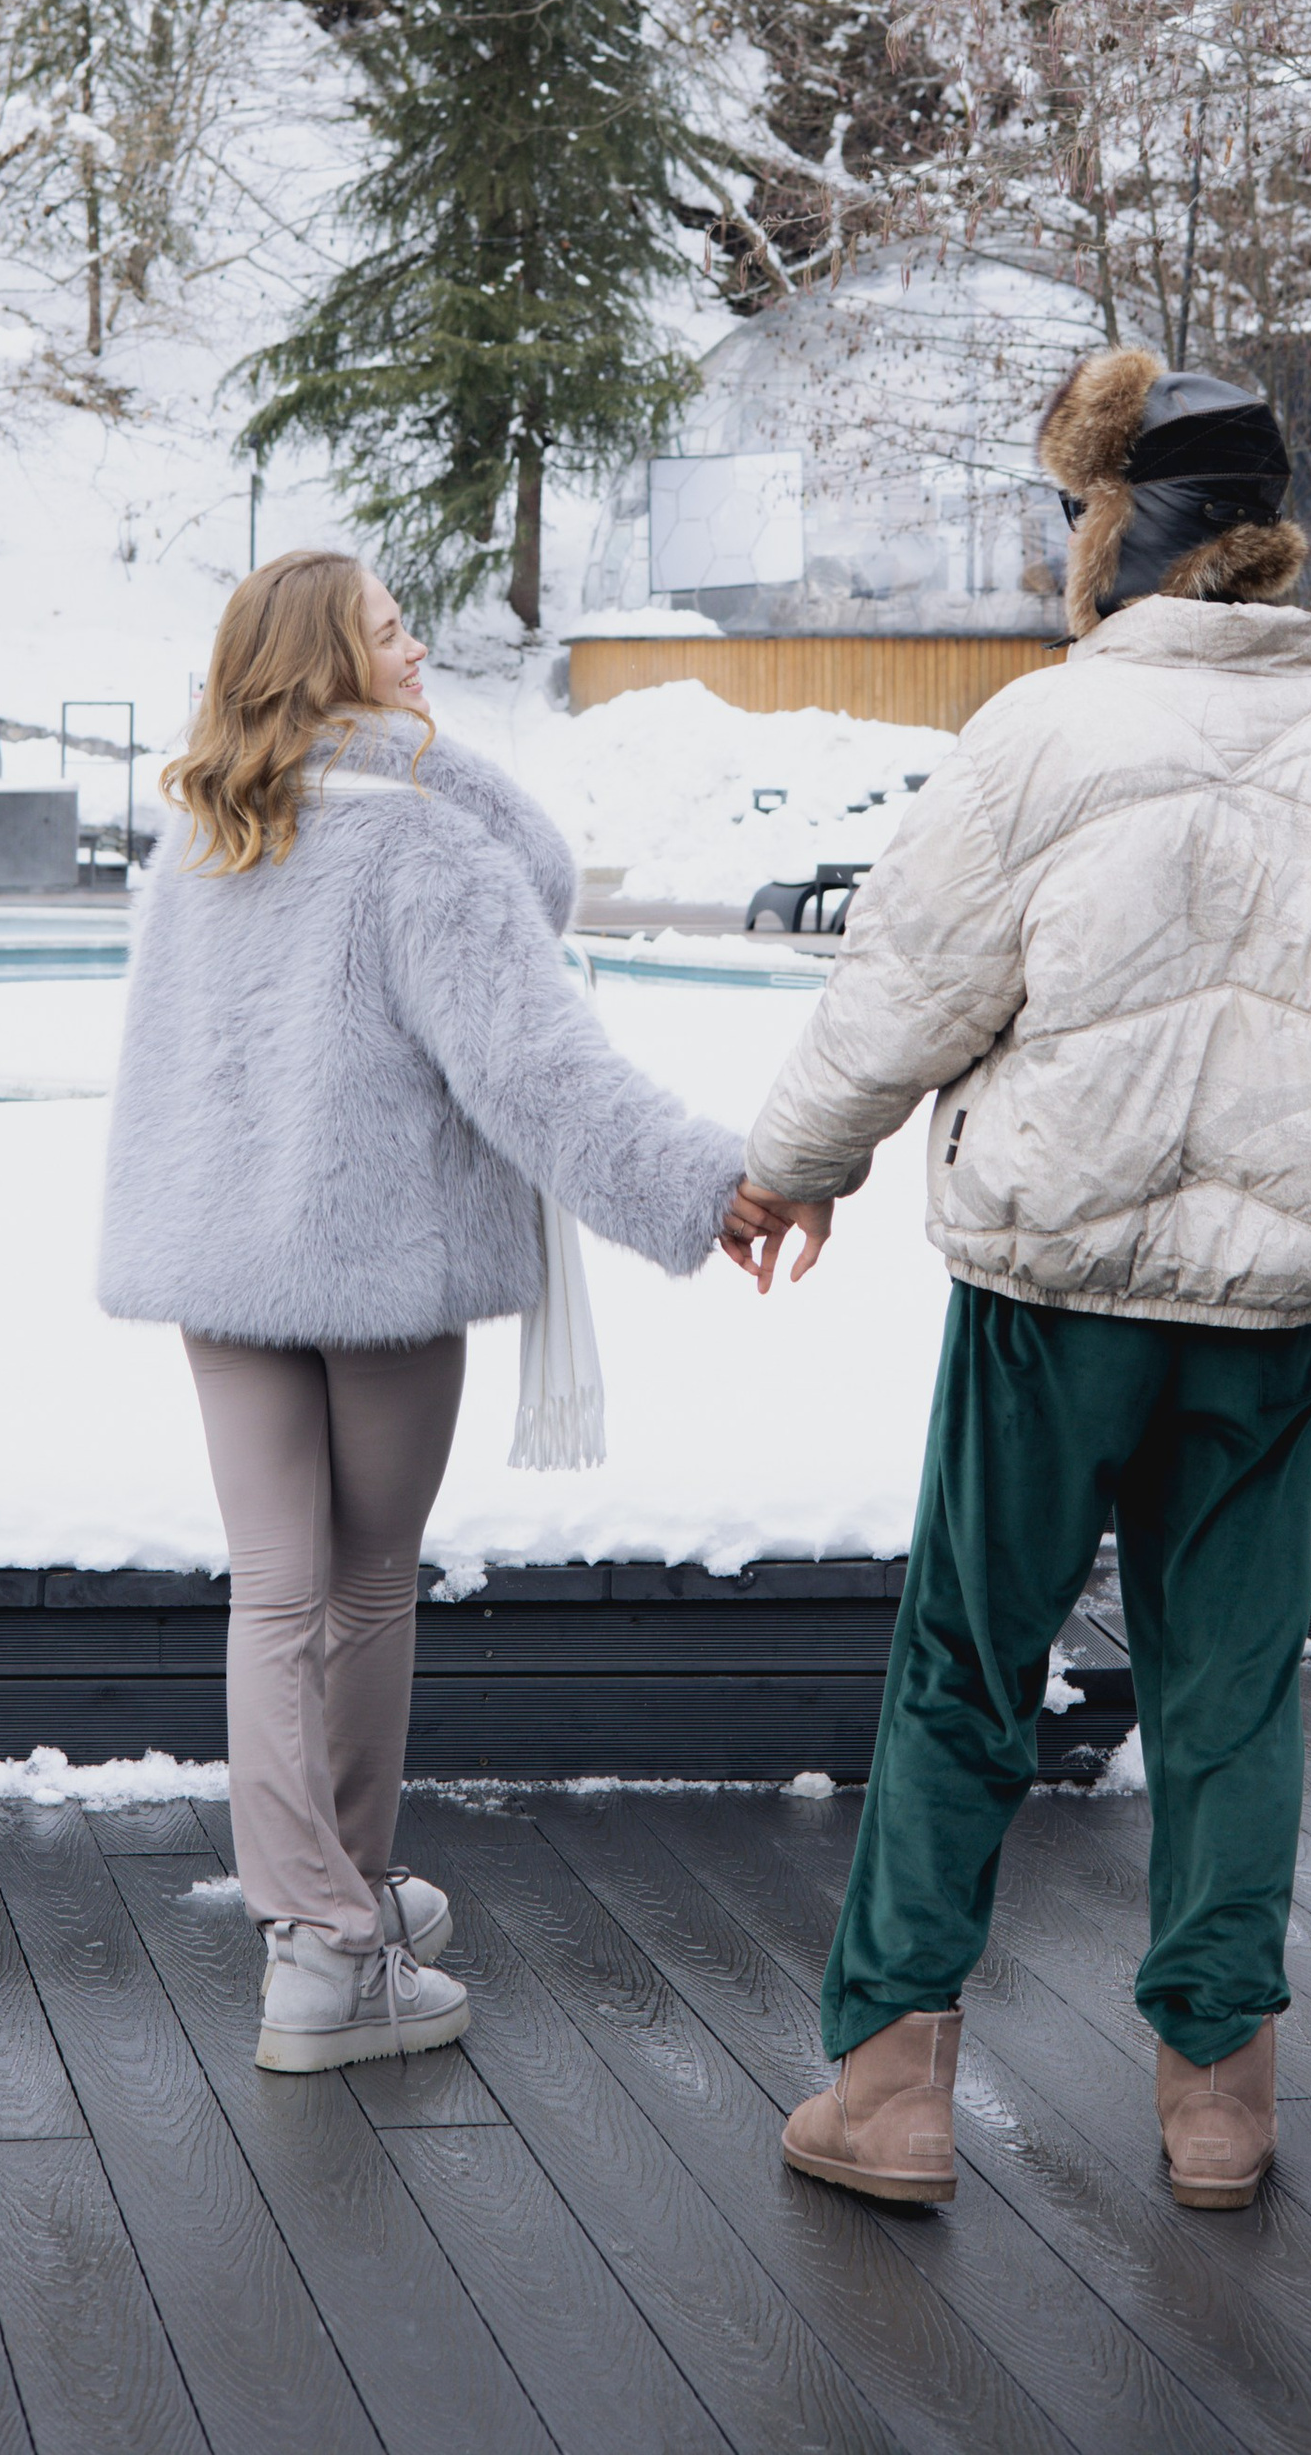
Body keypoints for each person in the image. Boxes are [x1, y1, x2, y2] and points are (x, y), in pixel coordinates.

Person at [742, 349, 1311, 2212]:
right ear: (1271, 546)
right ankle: (1218, 2102)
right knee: (1231, 1696)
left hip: (1050, 1305)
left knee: (967, 1666)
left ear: (1117, 539)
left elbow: (906, 988)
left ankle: (893, 2087)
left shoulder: (1043, 735)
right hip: (1259, 1332)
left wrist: (793, 1163)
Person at [97, 548, 791, 2076]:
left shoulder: (204, 836)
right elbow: (540, 1071)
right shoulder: (415, 845)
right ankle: (332, 1948)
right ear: (326, 660)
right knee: (362, 1590)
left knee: (273, 1594)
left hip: (225, 1270)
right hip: (380, 1269)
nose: (416, 650)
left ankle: (325, 1918)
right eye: (388, 631)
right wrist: (704, 1187)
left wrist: (417, 757)